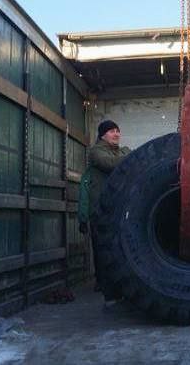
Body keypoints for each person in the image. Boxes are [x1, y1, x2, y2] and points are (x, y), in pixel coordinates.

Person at [77, 119, 130, 300]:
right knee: (101, 247)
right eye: (112, 131)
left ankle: (116, 282)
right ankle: (103, 283)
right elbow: (109, 164)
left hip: (117, 209)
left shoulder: (121, 151)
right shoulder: (96, 152)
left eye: (118, 131)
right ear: (102, 135)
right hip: (99, 209)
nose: (116, 134)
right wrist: (132, 157)